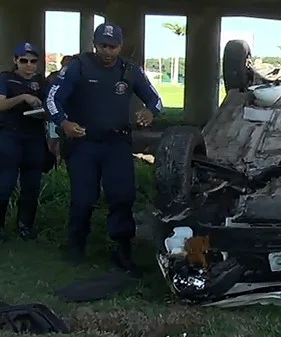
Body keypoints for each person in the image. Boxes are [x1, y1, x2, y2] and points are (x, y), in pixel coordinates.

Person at [45, 23, 163, 275]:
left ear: (121, 47)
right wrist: (63, 123)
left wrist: (149, 112)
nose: (107, 51)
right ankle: (76, 246)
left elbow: (156, 99)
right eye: (103, 46)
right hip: (84, 143)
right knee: (83, 198)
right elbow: (52, 99)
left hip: (117, 144)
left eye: (113, 46)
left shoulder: (130, 70)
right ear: (95, 44)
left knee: (122, 196)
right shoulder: (78, 66)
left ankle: (122, 250)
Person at [0, 42, 49, 242]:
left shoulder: (42, 82)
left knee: (32, 185)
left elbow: (52, 105)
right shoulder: (6, 78)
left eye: (33, 61)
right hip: (10, 135)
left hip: (34, 136)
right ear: (15, 61)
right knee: (6, 183)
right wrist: (23, 97)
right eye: (24, 61)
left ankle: (25, 226)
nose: (29, 65)